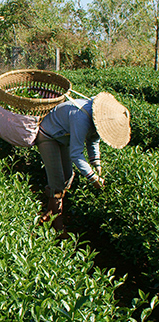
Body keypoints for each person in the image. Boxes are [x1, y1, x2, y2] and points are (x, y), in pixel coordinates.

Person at [36, 92, 130, 229]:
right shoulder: (81, 117)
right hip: (48, 135)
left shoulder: (99, 119)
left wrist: (96, 164)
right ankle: (57, 226)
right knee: (57, 181)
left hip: (63, 138)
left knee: (68, 177)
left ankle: (49, 213)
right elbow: (76, 154)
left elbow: (93, 141)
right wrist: (92, 177)